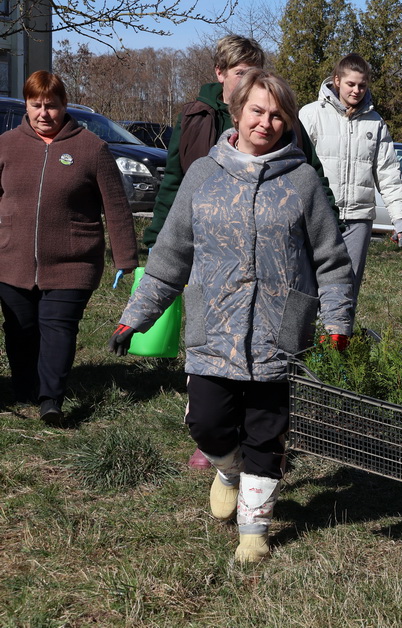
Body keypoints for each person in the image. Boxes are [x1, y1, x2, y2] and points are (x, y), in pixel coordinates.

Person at [108, 69, 354, 564]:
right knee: (208, 424)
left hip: (278, 330)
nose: (266, 122)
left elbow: (331, 259)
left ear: (288, 123)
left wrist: (337, 322)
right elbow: (171, 254)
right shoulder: (203, 174)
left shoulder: (302, 180)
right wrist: (135, 317)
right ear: (237, 112)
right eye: (257, 111)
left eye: (278, 114)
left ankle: (253, 532)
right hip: (212, 329)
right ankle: (227, 469)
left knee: (268, 430)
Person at [142, 35, 336, 470]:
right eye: (241, 74)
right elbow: (175, 187)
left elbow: (314, 190)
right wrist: (156, 240)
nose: (266, 121)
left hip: (277, 296)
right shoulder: (193, 120)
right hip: (216, 286)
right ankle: (220, 450)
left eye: (275, 115)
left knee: (266, 410)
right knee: (212, 407)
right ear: (223, 77)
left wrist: (326, 228)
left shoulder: (288, 140)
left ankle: (258, 488)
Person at [0, 71, 138, 424]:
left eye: (52, 106)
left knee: (58, 328)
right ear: (26, 107)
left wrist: (126, 257)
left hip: (73, 260)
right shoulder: (6, 146)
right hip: (11, 258)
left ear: (65, 105)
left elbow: (117, 207)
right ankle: (24, 388)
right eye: (36, 105)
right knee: (20, 329)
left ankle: (51, 401)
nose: (44, 113)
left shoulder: (91, 148)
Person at [299, 53, 402, 308]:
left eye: (362, 85)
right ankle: (308, 342)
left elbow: (388, 174)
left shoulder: (375, 123)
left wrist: (401, 221)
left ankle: (340, 344)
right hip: (319, 217)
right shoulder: (310, 115)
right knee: (311, 284)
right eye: (351, 84)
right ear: (337, 80)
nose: (356, 90)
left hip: (358, 219)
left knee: (347, 289)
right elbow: (297, 167)